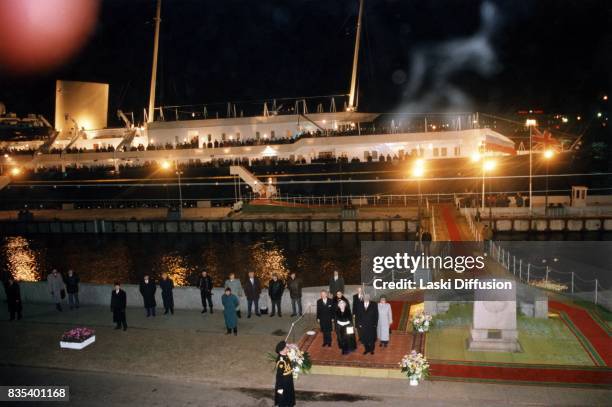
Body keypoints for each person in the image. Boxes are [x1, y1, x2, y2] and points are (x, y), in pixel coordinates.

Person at [274, 341, 296, 407]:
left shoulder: (285, 355)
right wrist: (279, 387)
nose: (287, 348)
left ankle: (289, 404)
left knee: (290, 393)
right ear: (282, 350)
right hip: (284, 381)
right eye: (286, 348)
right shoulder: (281, 362)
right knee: (283, 396)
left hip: (289, 379)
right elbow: (279, 376)